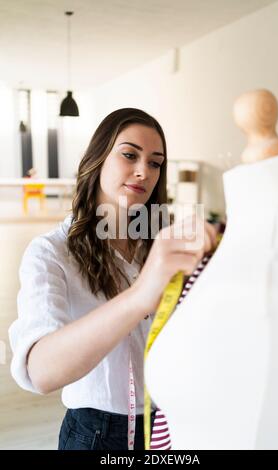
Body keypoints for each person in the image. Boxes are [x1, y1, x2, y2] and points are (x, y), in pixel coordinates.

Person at [9, 108, 217, 450]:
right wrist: (139, 296)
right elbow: (41, 372)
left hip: (172, 422)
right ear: (98, 158)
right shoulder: (49, 253)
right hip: (97, 435)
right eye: (129, 154)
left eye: (155, 162)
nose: (143, 171)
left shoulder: (165, 244)